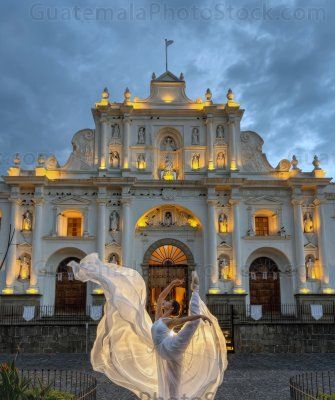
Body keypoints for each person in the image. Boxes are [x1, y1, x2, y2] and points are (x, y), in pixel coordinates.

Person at [69, 253, 227, 400]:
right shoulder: (160, 317)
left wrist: (199, 316)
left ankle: (196, 293)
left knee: (177, 367)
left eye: (168, 302)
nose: (164, 302)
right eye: (166, 301)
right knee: (166, 379)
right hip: (161, 350)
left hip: (170, 347)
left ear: (171, 308)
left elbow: (184, 320)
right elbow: (160, 296)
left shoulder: (169, 320)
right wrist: (172, 283)